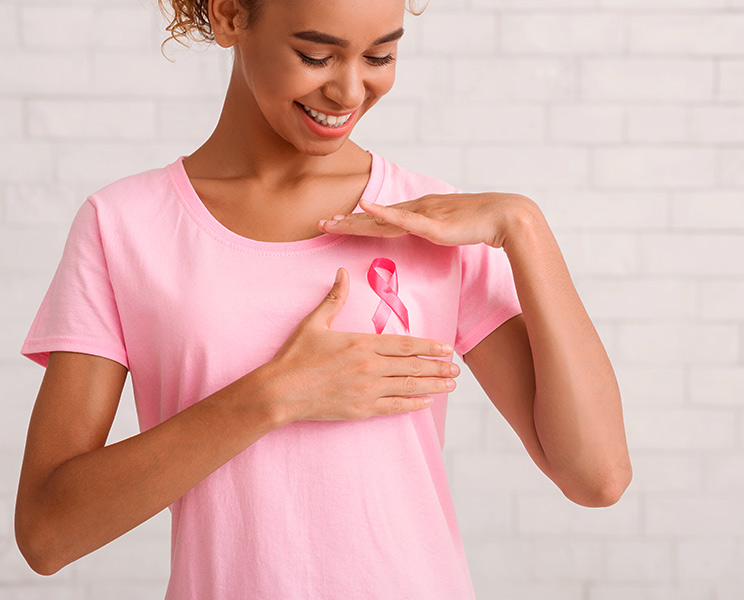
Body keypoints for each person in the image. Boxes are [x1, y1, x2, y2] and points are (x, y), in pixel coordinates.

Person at [14, 0, 633, 598]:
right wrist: (277, 395)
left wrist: (524, 227)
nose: (350, 91)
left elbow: (596, 475)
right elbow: (47, 533)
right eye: (316, 56)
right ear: (230, 14)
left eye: (379, 56)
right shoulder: (126, 226)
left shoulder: (428, 222)